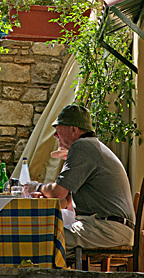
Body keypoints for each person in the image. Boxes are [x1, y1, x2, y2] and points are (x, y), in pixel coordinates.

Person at [24, 104, 135, 252]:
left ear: (73, 129)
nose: (54, 135)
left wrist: (37, 187)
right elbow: (65, 200)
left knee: (42, 239)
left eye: (58, 129)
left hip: (108, 230)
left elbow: (58, 192)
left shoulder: (82, 147)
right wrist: (45, 196)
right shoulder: (90, 146)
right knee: (47, 235)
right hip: (110, 228)